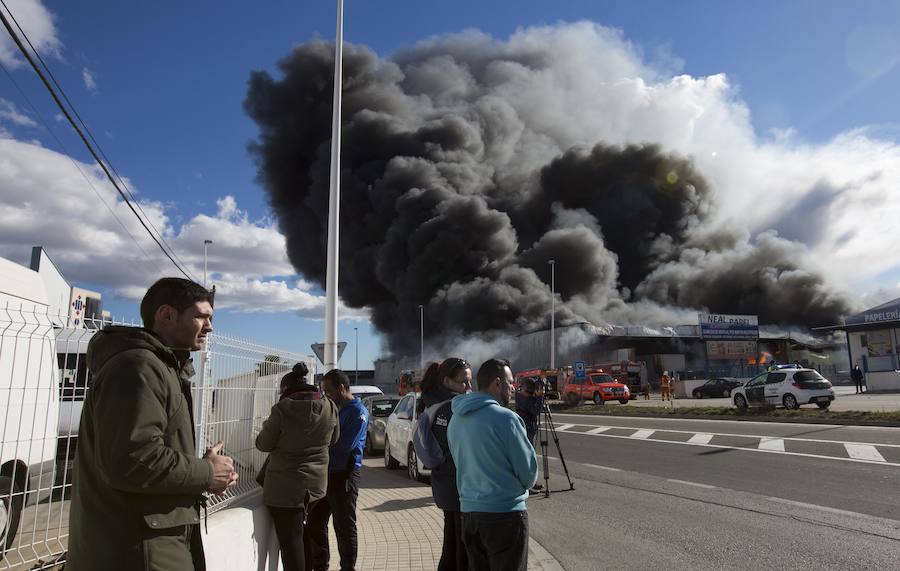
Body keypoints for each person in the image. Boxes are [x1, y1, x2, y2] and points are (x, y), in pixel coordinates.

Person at [67, 277, 238, 571]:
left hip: (149, 545)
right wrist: (207, 472)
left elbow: (145, 453)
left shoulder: (161, 367)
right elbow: (132, 459)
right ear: (166, 315)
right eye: (201, 316)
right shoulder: (139, 367)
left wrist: (204, 472)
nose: (209, 327)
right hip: (137, 552)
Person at [448, 358, 538, 571]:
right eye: (509, 381)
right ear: (497, 384)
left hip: (469, 515)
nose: (513, 387)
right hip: (505, 515)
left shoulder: (456, 419)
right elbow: (529, 475)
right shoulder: (507, 419)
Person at [256, 363, 340, 571]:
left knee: (291, 544)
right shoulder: (330, 406)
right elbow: (335, 439)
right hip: (316, 489)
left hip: (285, 490)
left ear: (285, 390)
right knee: (307, 537)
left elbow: (263, 444)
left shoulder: (282, 410)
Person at [305, 369, 369, 571]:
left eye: (329, 391)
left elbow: (343, 446)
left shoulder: (358, 412)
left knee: (344, 526)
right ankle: (320, 565)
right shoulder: (335, 408)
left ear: (342, 388)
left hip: (345, 476)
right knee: (315, 523)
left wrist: (318, 445)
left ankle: (347, 567)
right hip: (326, 475)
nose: (326, 396)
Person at [412, 358, 472, 571]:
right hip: (457, 485)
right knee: (462, 550)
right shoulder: (451, 408)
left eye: (470, 382)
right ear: (447, 381)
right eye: (464, 382)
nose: (469, 388)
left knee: (452, 544)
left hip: (443, 482)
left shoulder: (432, 402)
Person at [514, 376, 545, 495]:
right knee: (527, 458)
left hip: (529, 429)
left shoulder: (522, 396)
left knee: (530, 457)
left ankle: (531, 482)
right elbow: (535, 411)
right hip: (526, 430)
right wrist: (540, 397)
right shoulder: (524, 399)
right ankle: (527, 485)